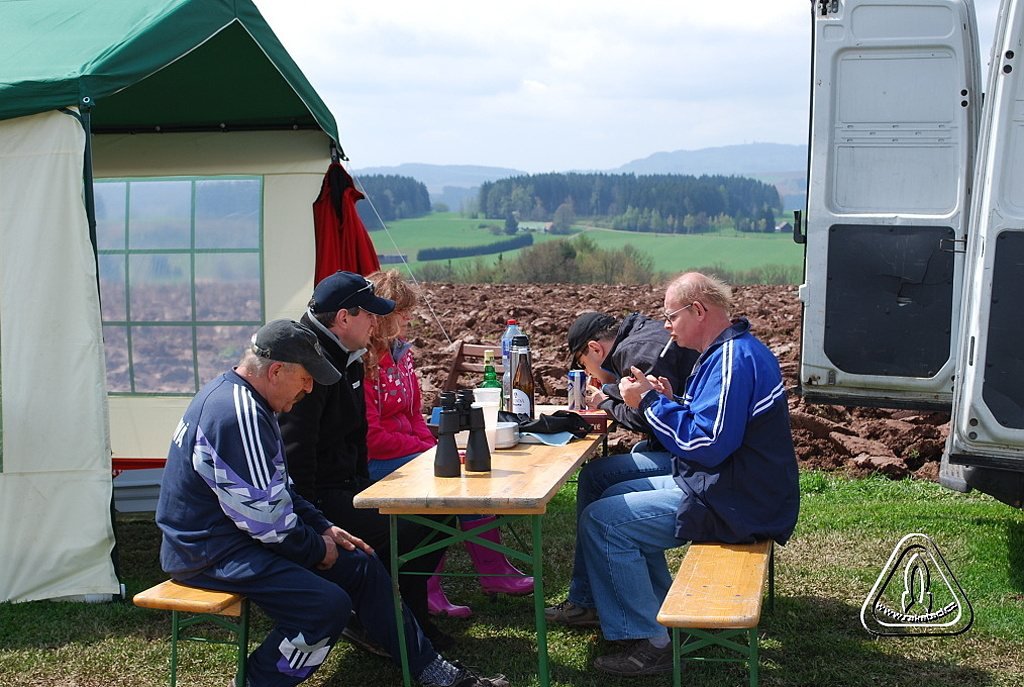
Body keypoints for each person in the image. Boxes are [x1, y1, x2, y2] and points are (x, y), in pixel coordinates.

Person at [156, 319, 508, 687]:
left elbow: (280, 489)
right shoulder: (238, 414)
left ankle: (435, 673)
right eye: (306, 378)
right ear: (276, 370)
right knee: (324, 607)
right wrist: (315, 548)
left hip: (232, 537)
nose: (309, 389)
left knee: (362, 561)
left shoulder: (247, 400)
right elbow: (266, 520)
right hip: (206, 552)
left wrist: (323, 527)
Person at [547, 272, 800, 676]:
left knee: (604, 522)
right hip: (728, 484)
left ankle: (652, 641)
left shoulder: (733, 360)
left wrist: (649, 402)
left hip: (738, 501)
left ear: (698, 310)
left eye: (671, 316)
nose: (666, 326)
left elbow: (709, 443)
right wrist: (671, 400)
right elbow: (711, 427)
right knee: (610, 500)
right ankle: (665, 614)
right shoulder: (729, 352)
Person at [277, 271, 453, 650]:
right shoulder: (309, 362)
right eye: (369, 315)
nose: (376, 323)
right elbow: (297, 455)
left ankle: (400, 619)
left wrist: (363, 489)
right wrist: (315, 523)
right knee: (407, 530)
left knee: (441, 515)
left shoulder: (348, 355)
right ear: (343, 318)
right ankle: (394, 623)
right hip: (318, 499)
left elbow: (355, 436)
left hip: (349, 487)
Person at [362, 269, 532, 620]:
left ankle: (490, 569)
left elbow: (412, 415)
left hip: (406, 449)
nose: (409, 319)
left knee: (464, 468)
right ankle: (437, 586)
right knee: (451, 479)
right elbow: (371, 436)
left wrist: (436, 447)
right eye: (401, 312)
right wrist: (426, 453)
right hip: (376, 460)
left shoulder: (402, 355)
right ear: (380, 317)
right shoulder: (365, 363)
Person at [546, 309, 701, 628]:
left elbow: (648, 417)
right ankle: (596, 599)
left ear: (594, 349)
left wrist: (604, 400)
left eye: (582, 363)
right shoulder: (639, 339)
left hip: (691, 461)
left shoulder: (635, 352)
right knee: (598, 477)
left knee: (599, 490)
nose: (585, 371)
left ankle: (600, 607)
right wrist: (613, 394)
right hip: (684, 452)